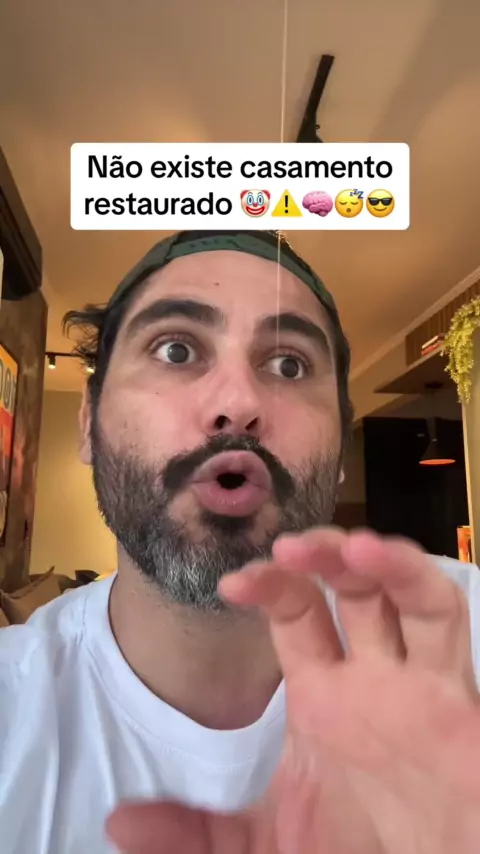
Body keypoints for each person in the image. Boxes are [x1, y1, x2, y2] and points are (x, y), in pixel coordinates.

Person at [1, 229, 480, 854]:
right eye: (176, 349)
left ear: (340, 446)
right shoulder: (13, 709)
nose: (238, 404)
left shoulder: (464, 632)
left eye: (289, 365)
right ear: (89, 422)